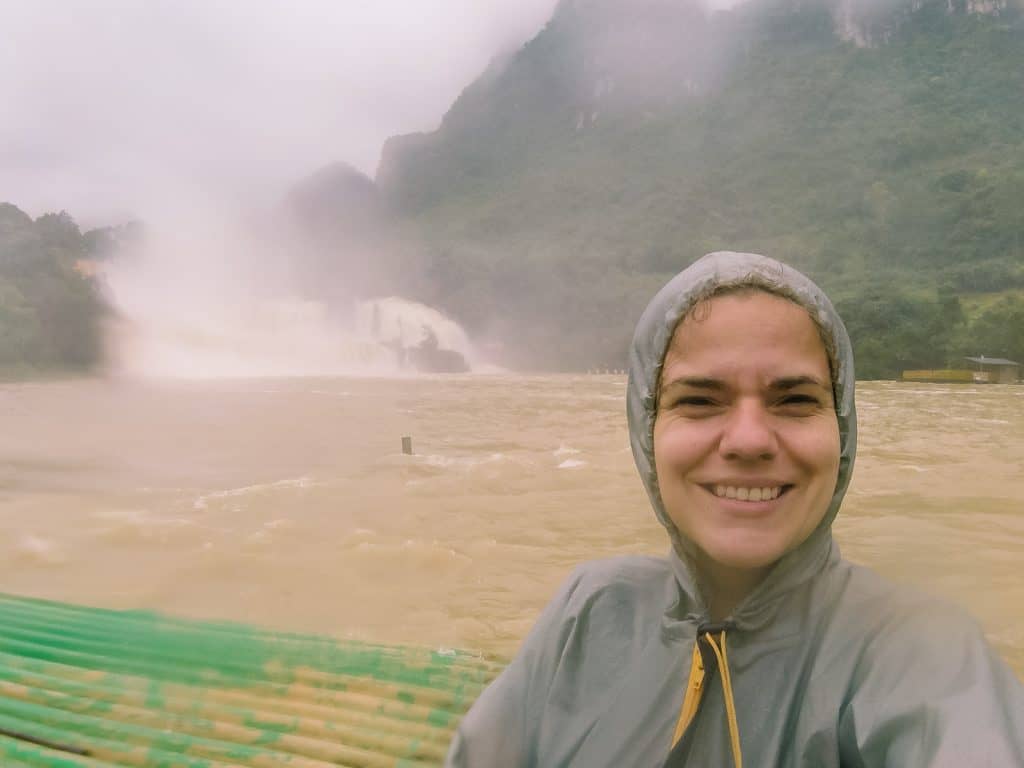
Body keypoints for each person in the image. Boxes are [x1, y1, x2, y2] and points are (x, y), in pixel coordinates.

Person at [445, 251, 1024, 767]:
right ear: (647, 431)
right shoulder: (588, 614)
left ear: (842, 430)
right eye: (698, 401)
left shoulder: (919, 651)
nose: (749, 439)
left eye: (795, 400)